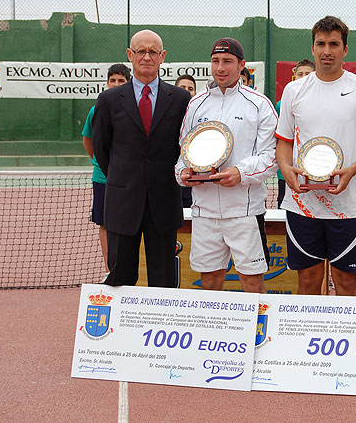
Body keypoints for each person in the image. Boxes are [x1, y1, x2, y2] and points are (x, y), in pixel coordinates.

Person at [276, 16, 356, 296]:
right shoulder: (294, 90)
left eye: (334, 44)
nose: (327, 51)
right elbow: (284, 141)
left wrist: (351, 171)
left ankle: (345, 329)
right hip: (303, 204)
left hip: (349, 204)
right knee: (308, 281)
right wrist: (286, 170)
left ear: (345, 49)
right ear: (313, 48)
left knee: (346, 282)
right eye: (321, 44)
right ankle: (307, 328)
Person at [175, 37, 278, 293]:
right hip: (205, 210)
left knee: (252, 281)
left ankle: (257, 323)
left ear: (241, 65)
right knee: (209, 280)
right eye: (216, 61)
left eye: (228, 61)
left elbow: (273, 155)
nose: (221, 68)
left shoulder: (259, 104)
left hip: (244, 211)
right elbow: (184, 151)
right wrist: (182, 173)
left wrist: (241, 173)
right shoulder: (196, 104)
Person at [92, 29, 191, 288]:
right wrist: (125, 178)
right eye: (140, 51)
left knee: (163, 279)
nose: (147, 57)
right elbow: (102, 149)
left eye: (153, 52)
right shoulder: (109, 100)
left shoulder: (181, 99)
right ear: (130, 55)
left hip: (164, 202)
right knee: (120, 277)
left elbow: (185, 146)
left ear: (163, 56)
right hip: (122, 203)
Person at [81, 63, 131, 279]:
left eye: (121, 80)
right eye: (112, 80)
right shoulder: (96, 110)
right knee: (105, 223)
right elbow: (88, 141)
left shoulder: (134, 107)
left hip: (130, 179)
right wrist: (103, 164)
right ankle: (110, 270)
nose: (116, 84)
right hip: (103, 178)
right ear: (107, 83)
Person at [275, 59, 316, 208]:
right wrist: (285, 166)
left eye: (308, 74)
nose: (303, 77)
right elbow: (281, 138)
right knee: (284, 209)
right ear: (294, 77)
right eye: (300, 74)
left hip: (315, 168)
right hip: (287, 172)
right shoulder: (282, 104)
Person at [174, 74, 198, 208]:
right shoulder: (166, 115)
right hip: (170, 183)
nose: (186, 92)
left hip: (193, 183)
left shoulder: (199, 116)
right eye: (182, 88)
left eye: (190, 89)